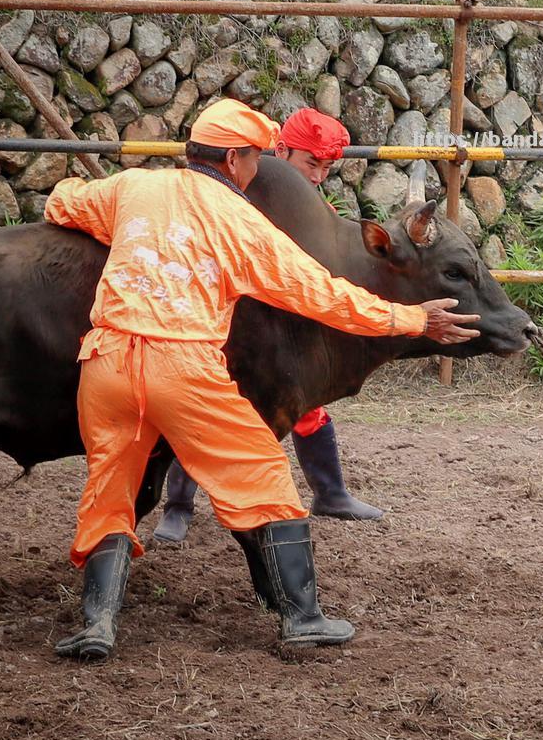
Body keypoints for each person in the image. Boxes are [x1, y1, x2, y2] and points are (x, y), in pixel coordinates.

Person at [44, 98, 482, 660]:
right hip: (183, 365)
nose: (257, 169)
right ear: (232, 159)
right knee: (263, 476)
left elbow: (63, 200)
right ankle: (302, 617)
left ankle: (97, 624)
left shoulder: (134, 187)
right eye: (253, 157)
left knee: (110, 490)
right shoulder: (241, 221)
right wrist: (413, 318)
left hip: (104, 363)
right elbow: (322, 295)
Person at [154, 107, 388, 543]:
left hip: (283, 325)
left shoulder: (312, 207)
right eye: (309, 163)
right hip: (224, 321)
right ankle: (178, 506)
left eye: (326, 167)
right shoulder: (229, 190)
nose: (317, 176)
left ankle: (331, 493)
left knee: (304, 404)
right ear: (279, 152)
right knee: (200, 408)